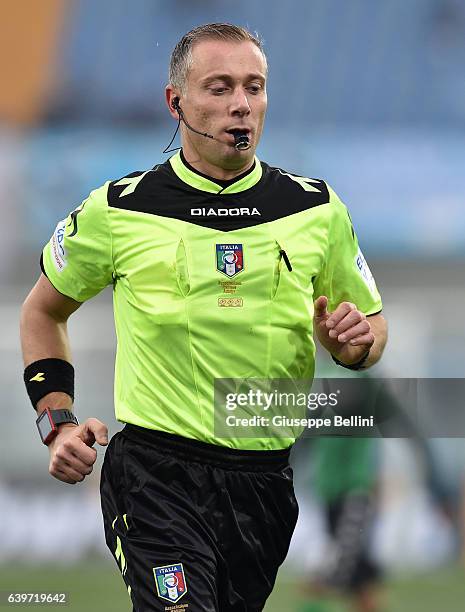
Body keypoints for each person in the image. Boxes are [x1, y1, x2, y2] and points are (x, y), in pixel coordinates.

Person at [20, 23, 388, 612]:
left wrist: (355, 342)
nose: (240, 104)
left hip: (264, 482)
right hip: (154, 476)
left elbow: (369, 329)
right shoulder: (119, 209)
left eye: (253, 87)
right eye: (218, 88)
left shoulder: (316, 208)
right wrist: (57, 421)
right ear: (176, 102)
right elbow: (42, 310)